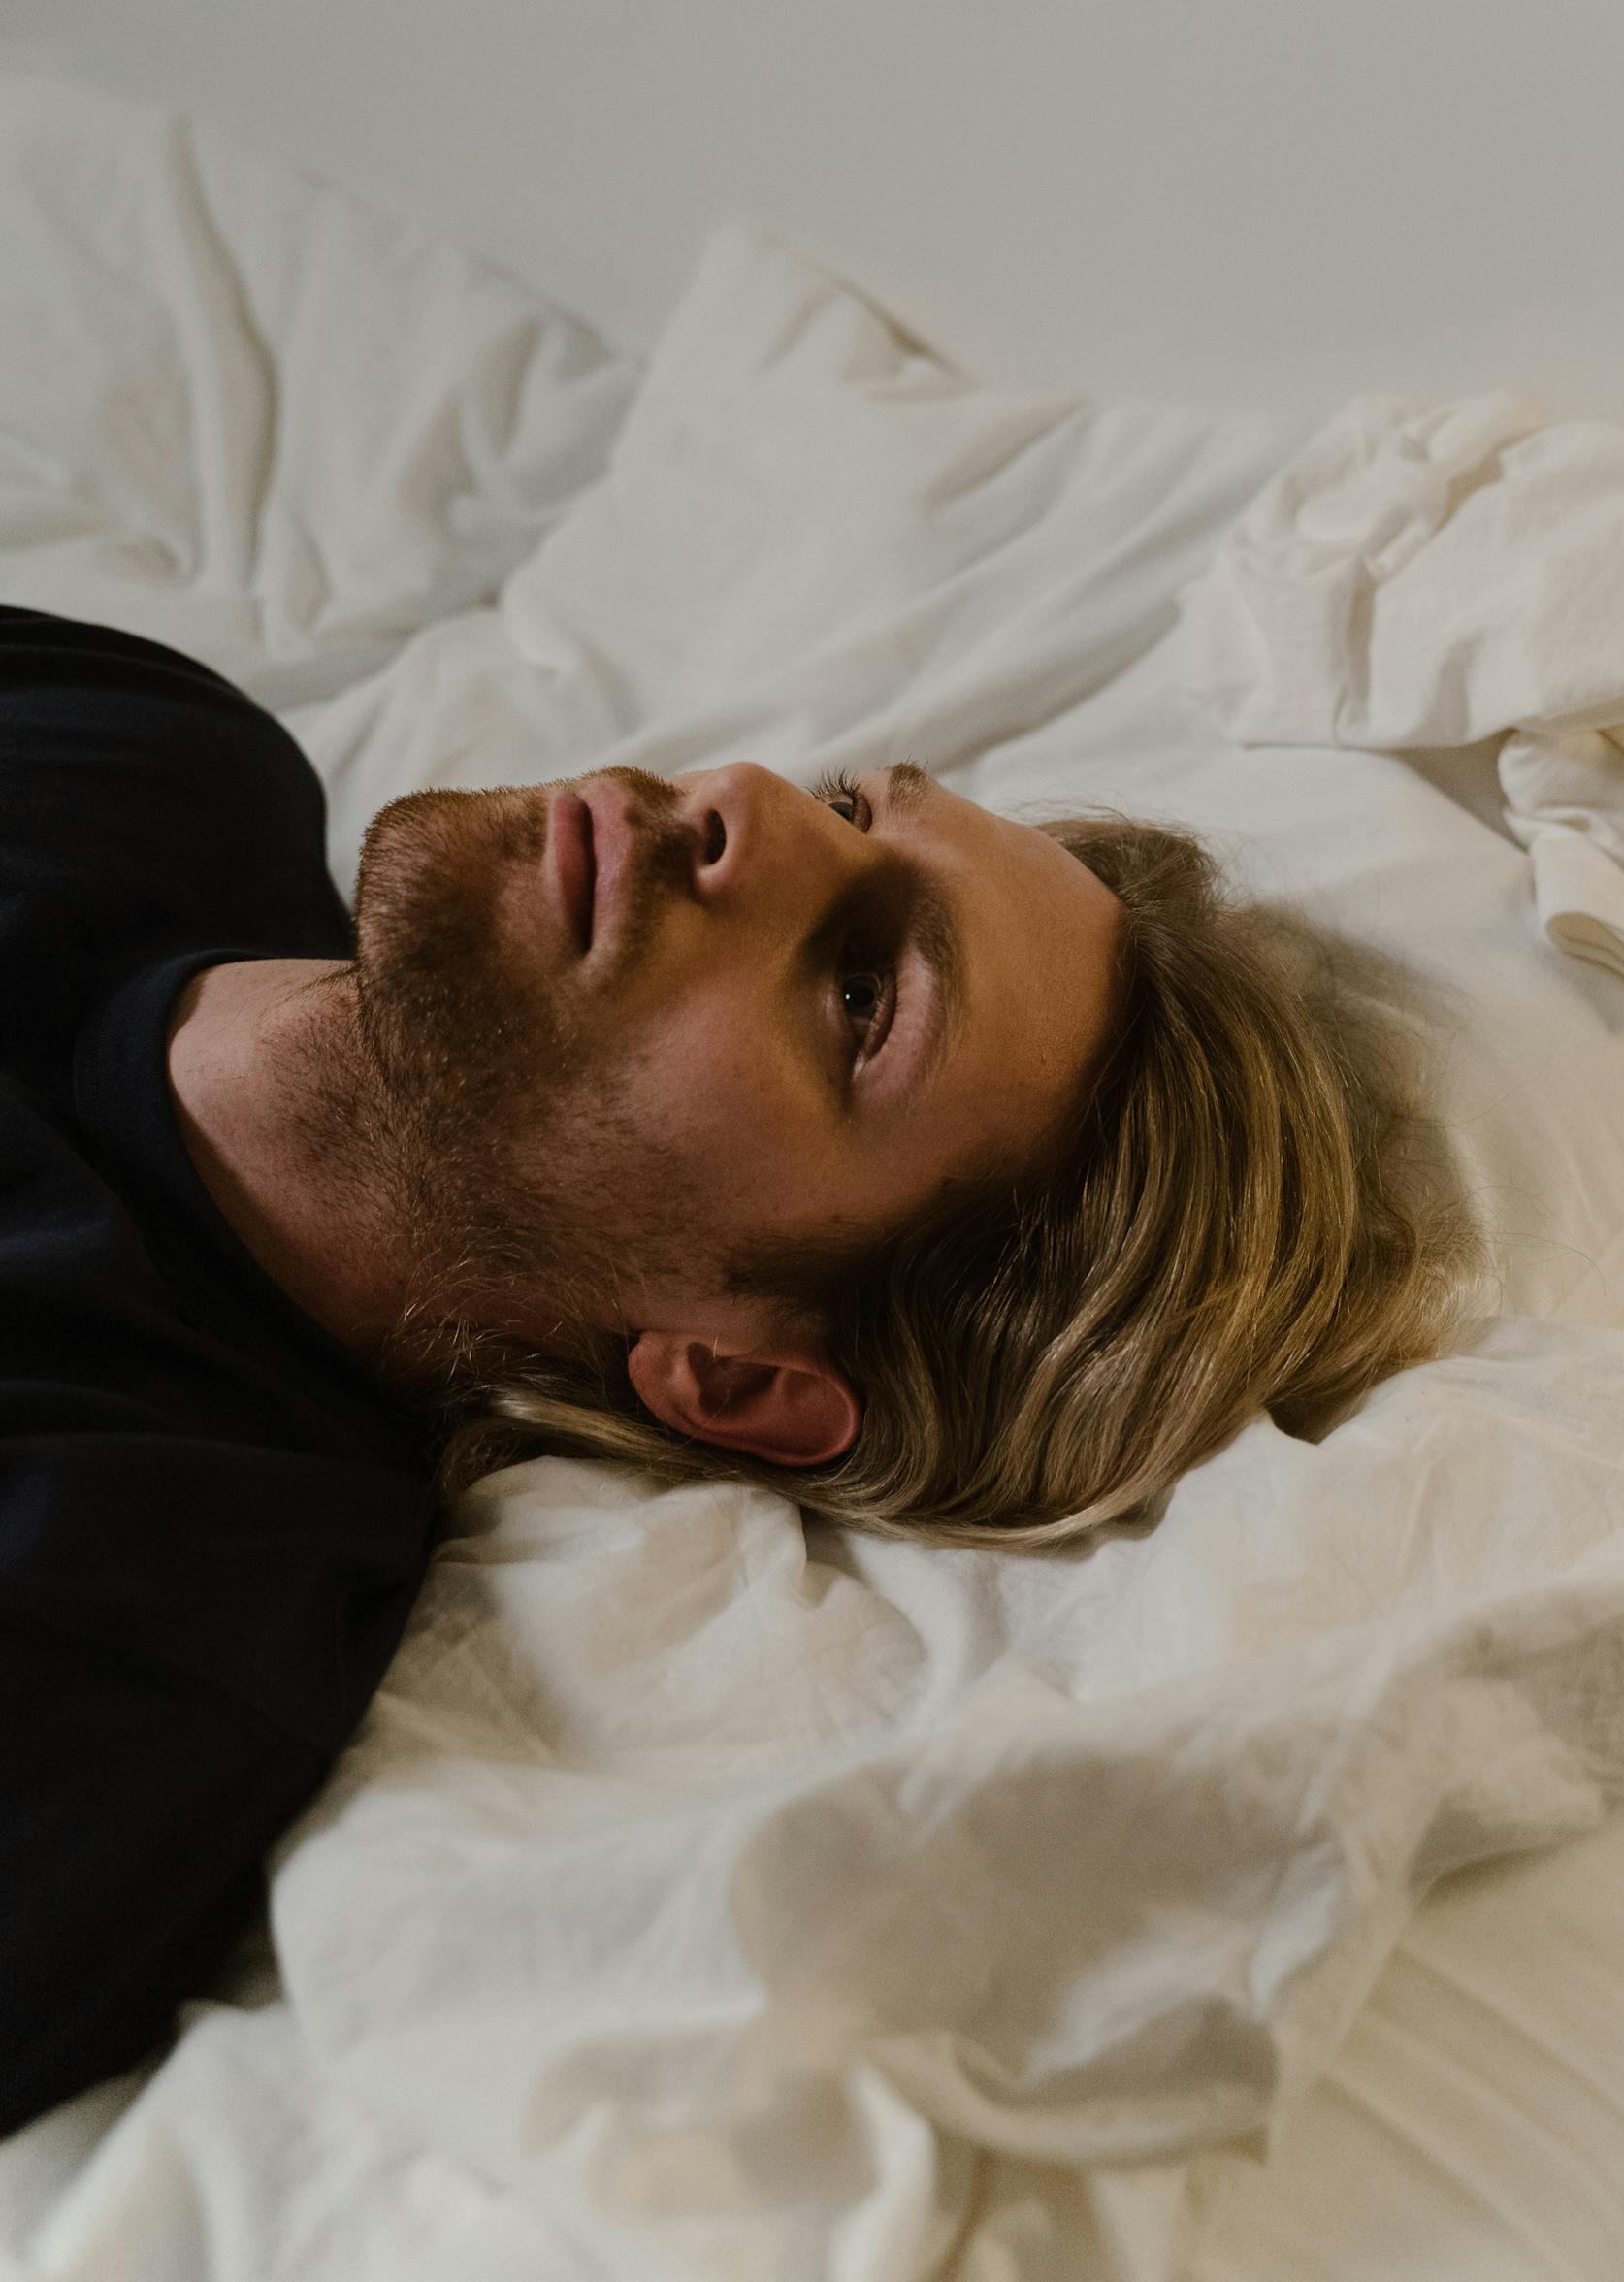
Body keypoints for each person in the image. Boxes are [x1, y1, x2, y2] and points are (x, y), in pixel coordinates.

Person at [0, 602, 1478, 2138]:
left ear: (737, 1379)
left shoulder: (115, 1619)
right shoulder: (152, 755)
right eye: (849, 806)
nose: (751, 803)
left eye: (861, 997)